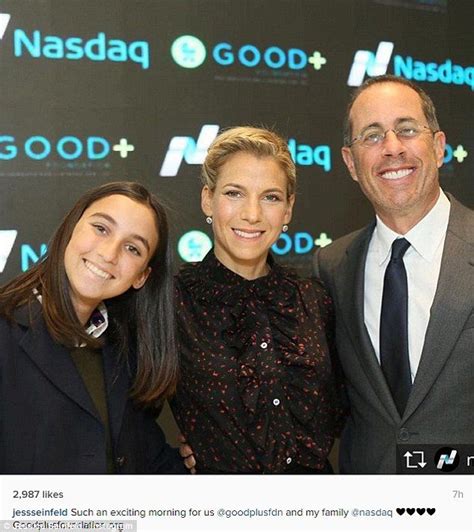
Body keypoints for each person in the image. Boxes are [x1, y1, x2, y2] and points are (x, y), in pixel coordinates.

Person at [313, 75, 474, 474]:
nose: (392, 148)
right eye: (371, 136)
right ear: (351, 163)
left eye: (406, 129)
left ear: (438, 147)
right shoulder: (331, 266)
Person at [172, 126, 346, 474]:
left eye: (270, 197)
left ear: (288, 209)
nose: (252, 214)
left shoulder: (313, 299)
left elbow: (351, 407)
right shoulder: (172, 302)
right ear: (208, 199)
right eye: (234, 193)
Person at [0, 181, 186, 474]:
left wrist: (195, 461)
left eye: (132, 248)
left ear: (141, 276)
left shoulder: (126, 351)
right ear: (72, 227)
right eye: (101, 229)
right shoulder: (6, 329)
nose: (109, 254)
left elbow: (143, 464)